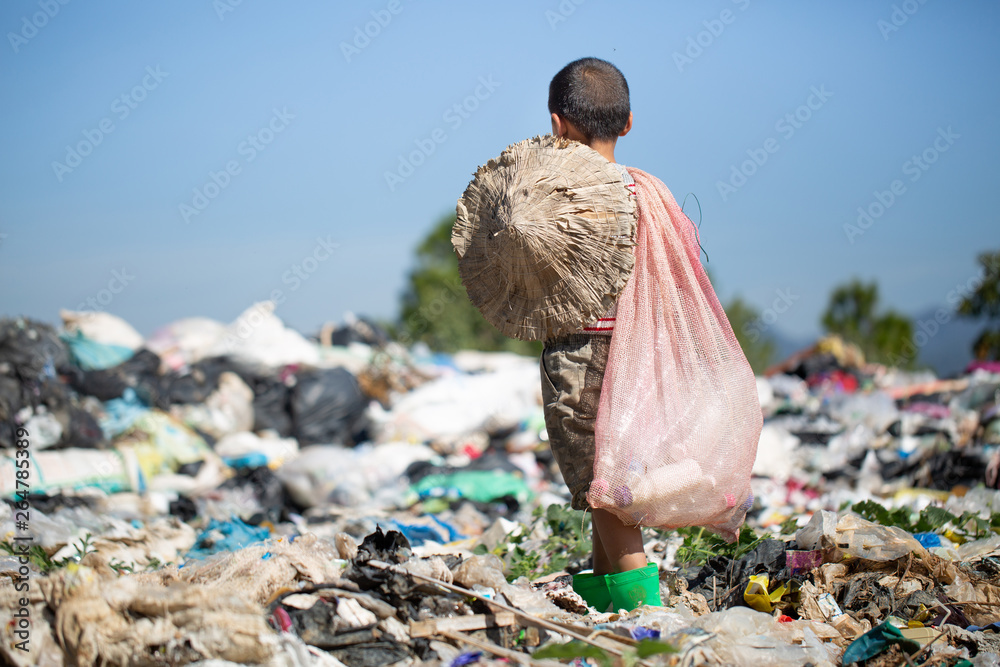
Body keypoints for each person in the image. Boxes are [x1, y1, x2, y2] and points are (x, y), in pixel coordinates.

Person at [540, 57, 662, 613]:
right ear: (628, 123)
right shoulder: (645, 192)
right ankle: (607, 604)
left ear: (557, 124)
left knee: (602, 486)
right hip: (639, 352)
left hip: (580, 352)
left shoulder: (555, 194)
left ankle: (647, 616)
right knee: (612, 477)